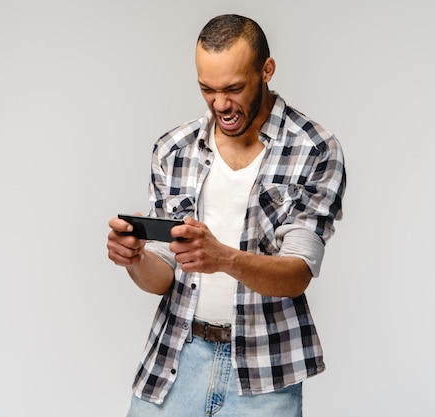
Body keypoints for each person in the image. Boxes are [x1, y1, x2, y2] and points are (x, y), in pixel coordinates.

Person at [107, 14, 346, 417]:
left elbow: (297, 273)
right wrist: (135, 259)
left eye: (234, 88)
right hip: (175, 359)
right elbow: (164, 275)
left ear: (266, 70)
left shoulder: (314, 149)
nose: (220, 104)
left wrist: (224, 259)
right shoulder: (173, 148)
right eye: (207, 89)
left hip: (265, 372)